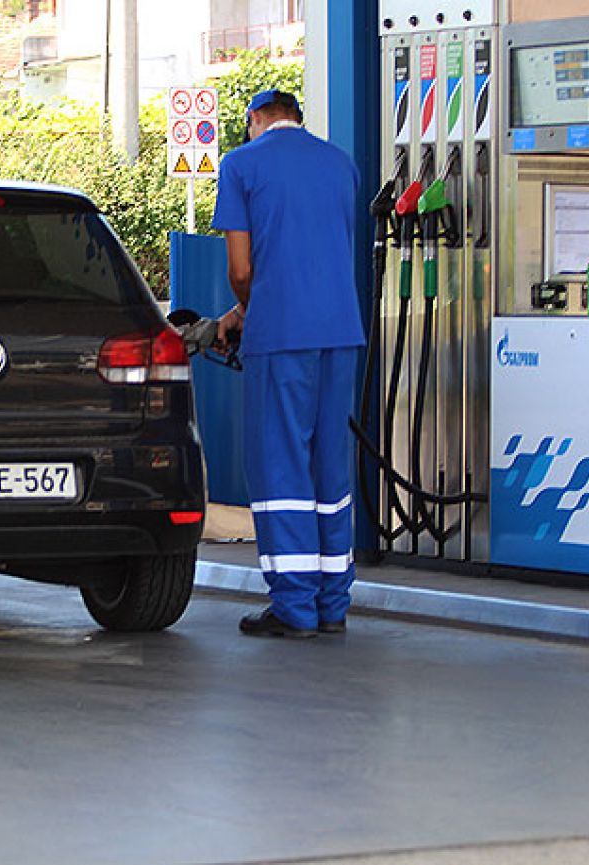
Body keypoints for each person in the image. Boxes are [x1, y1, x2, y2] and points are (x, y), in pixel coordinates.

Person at [211, 90, 365, 639]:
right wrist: (242, 310)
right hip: (341, 332)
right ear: (296, 118)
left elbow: (241, 265)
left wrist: (247, 310)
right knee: (329, 464)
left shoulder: (241, 164)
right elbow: (314, 254)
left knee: (281, 469)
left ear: (254, 120)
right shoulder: (339, 163)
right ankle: (331, 603)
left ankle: (294, 607)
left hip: (280, 336)